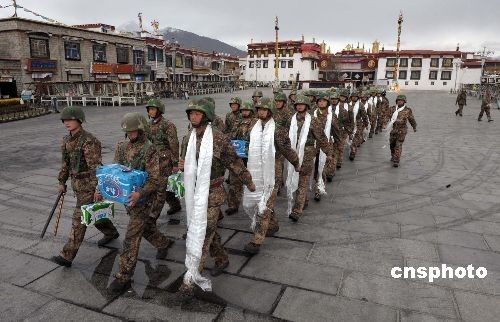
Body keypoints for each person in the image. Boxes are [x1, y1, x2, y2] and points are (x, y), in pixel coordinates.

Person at [178, 100, 255, 294]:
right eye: (191, 113)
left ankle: (190, 278)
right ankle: (222, 258)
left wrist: (248, 181)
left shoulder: (218, 139)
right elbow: (183, 162)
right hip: (195, 193)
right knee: (207, 231)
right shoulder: (187, 138)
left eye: (197, 113)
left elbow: (234, 163)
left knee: (202, 234)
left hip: (213, 194)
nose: (193, 117)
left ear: (206, 116)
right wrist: (181, 167)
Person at [108, 113, 174, 293]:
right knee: (144, 228)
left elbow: (154, 179)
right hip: (129, 199)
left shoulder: (149, 149)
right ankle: (163, 243)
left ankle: (124, 277)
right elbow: (116, 170)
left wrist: (140, 193)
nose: (130, 134)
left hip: (144, 200)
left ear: (141, 129)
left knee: (131, 237)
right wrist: (104, 187)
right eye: (127, 132)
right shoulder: (121, 147)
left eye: (133, 131)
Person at [52, 106, 119, 268]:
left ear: (79, 120)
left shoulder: (89, 141)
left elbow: (96, 168)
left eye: (70, 119)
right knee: (94, 213)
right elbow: (65, 164)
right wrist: (62, 182)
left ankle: (67, 255)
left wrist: (98, 189)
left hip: (89, 186)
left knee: (79, 219)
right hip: (77, 185)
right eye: (64, 120)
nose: (66, 123)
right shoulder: (67, 140)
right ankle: (111, 232)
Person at [243, 98, 299, 254]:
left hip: (272, 173)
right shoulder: (253, 128)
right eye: (259, 109)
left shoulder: (277, 130)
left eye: (264, 109)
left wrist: (296, 163)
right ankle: (273, 225)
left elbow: (287, 149)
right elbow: (247, 144)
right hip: (255, 171)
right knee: (264, 201)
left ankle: (257, 241)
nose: (261, 111)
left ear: (270, 111)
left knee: (264, 205)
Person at [287, 94, 334, 222]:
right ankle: (305, 199)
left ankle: (297, 210)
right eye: (298, 104)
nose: (300, 106)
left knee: (302, 181)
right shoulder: (291, 120)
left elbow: (322, 138)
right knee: (294, 179)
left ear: (307, 106)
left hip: (307, 155)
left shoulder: (313, 121)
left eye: (302, 104)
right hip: (293, 154)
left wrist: (328, 153)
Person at [145, 99, 182, 219]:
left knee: (160, 188)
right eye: (149, 109)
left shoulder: (168, 125)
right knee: (166, 186)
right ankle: (175, 205)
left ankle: (153, 215)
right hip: (154, 161)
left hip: (166, 161)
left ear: (159, 110)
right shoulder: (149, 125)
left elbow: (174, 144)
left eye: (153, 109)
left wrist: (175, 163)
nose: (150, 112)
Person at [226, 102, 255, 215]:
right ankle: (233, 204)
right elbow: (232, 135)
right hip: (238, 154)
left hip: (251, 155)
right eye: (243, 110)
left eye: (246, 110)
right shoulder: (237, 122)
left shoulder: (255, 123)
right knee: (234, 180)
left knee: (252, 179)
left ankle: (254, 202)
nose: (244, 112)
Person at [387, 95, 417, 167]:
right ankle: (393, 155)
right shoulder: (392, 109)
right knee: (392, 144)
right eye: (398, 100)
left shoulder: (407, 110)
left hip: (402, 130)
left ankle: (396, 160)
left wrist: (414, 126)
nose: (400, 101)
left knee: (398, 144)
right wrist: (384, 123)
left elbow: (411, 119)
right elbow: (386, 116)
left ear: (404, 101)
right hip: (393, 130)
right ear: (396, 101)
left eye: (401, 100)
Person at [348, 91, 368, 161]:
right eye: (353, 96)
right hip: (348, 124)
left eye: (356, 97)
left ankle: (353, 153)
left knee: (355, 139)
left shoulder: (360, 105)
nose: (354, 98)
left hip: (358, 124)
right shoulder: (347, 104)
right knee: (349, 139)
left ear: (358, 97)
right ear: (351, 97)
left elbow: (364, 115)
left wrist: (366, 123)